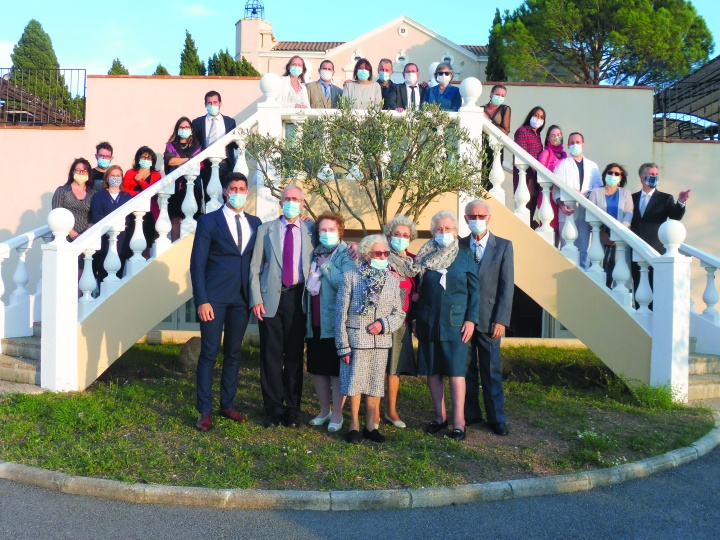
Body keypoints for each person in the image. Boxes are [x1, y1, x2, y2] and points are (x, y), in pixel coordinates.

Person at [190, 172, 261, 431]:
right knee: (209, 353)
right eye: (234, 188)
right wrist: (202, 300)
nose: (238, 192)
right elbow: (197, 264)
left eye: (242, 189)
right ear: (224, 191)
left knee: (233, 353)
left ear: (247, 193)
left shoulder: (256, 222)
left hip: (241, 299)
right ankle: (204, 410)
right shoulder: (209, 221)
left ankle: (227, 404)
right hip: (214, 299)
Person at [250, 185, 313, 428]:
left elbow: (331, 247)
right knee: (271, 354)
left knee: (295, 355)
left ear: (303, 203)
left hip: (299, 298)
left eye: (296, 199)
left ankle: (293, 407)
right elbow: (255, 268)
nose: (291, 202)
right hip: (270, 299)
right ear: (280, 202)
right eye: (287, 198)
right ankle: (273, 407)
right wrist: (256, 298)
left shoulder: (311, 229)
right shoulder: (265, 230)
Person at [412, 210, 480, 441]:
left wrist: (471, 319)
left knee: (456, 371)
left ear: (456, 231)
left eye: (448, 229)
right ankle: (440, 417)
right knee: (433, 370)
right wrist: (414, 318)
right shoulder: (424, 255)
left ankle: (459, 421)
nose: (444, 233)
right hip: (428, 321)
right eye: (439, 229)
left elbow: (474, 290)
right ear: (432, 232)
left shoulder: (465, 254)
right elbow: (415, 290)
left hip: (457, 323)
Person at [335, 234, 404, 444]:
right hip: (356, 339)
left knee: (374, 384)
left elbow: (399, 313)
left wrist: (384, 325)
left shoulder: (393, 280)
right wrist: (343, 346)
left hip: (381, 341)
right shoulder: (351, 276)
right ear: (366, 254)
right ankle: (354, 425)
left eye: (386, 253)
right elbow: (340, 314)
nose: (383, 256)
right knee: (355, 383)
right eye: (379, 253)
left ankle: (370, 426)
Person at [460, 200, 514, 436]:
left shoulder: (503, 246)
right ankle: (471, 414)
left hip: (491, 318)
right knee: (467, 369)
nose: (477, 219)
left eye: (481, 215)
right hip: (464, 320)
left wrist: (501, 319)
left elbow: (506, 286)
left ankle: (497, 418)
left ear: (489, 218)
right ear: (465, 219)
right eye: (473, 216)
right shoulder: (459, 245)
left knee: (491, 370)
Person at [305, 212, 356, 432]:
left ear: (340, 231)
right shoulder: (315, 253)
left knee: (336, 371)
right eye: (323, 230)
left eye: (331, 230)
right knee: (318, 368)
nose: (327, 234)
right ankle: (324, 410)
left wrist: (326, 266)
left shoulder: (347, 254)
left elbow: (345, 283)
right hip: (314, 319)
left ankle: (337, 414)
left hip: (335, 322)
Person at [373, 214, 418, 429]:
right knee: (376, 364)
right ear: (389, 236)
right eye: (397, 234)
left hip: (401, 320)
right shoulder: (379, 256)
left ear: (411, 238)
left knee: (394, 366)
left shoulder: (413, 262)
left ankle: (391, 410)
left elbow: (418, 291)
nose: (400, 238)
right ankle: (373, 411)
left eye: (405, 235)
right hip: (378, 320)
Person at [630, 163, 690, 297]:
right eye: (651, 174)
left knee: (655, 288)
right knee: (638, 286)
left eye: (656, 175)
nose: (655, 177)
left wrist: (681, 202)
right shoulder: (631, 197)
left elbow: (676, 216)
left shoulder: (665, 198)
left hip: (655, 249)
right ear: (642, 177)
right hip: (635, 248)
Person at [552, 132, 602, 268]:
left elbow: (598, 190)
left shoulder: (593, 167)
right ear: (568, 145)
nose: (575, 145)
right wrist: (561, 205)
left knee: (584, 246)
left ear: (583, 144)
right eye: (572, 143)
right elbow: (555, 189)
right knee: (567, 245)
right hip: (567, 210)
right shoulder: (562, 165)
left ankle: (584, 274)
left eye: (578, 142)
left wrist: (586, 196)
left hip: (586, 210)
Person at [588, 163, 634, 287]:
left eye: (617, 173)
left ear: (621, 178)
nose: (613, 175)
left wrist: (618, 233)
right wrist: (601, 234)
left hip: (620, 236)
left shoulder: (625, 193)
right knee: (601, 270)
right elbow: (590, 215)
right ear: (605, 175)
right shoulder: (596, 192)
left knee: (618, 271)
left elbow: (628, 214)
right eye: (610, 172)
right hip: (600, 236)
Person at [191, 90, 238, 212]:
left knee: (227, 195)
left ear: (220, 103)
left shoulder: (230, 122)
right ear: (205, 105)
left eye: (215, 102)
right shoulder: (197, 123)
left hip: (226, 164)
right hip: (207, 166)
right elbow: (195, 144)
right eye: (209, 103)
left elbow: (234, 144)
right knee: (209, 197)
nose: (212, 105)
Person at [89, 165, 133, 282]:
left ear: (122, 178)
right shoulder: (99, 196)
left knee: (118, 274)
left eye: (118, 176)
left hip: (122, 241)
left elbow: (130, 218)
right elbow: (96, 215)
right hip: (103, 240)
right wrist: (109, 227)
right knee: (102, 274)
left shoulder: (127, 197)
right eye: (112, 175)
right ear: (107, 178)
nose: (115, 178)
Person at [164, 116, 202, 240]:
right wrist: (188, 160)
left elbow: (200, 163)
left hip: (192, 187)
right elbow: (170, 161)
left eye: (186, 127)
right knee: (175, 218)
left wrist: (180, 161)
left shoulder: (197, 145)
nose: (184, 129)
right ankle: (175, 244)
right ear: (177, 129)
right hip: (175, 187)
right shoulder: (171, 145)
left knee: (191, 217)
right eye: (181, 127)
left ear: (191, 129)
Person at [122, 146, 161, 256]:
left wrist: (141, 181)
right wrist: (140, 195)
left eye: (148, 158)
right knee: (129, 244)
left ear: (152, 161)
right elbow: (125, 191)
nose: (145, 160)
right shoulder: (130, 173)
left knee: (147, 245)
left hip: (150, 214)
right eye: (143, 157)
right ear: (138, 158)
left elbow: (153, 193)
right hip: (131, 213)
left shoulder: (156, 175)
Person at [52, 158, 96, 241]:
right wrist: (74, 235)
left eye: (84, 171)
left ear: (88, 174)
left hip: (85, 238)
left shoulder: (93, 194)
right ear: (72, 172)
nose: (81, 173)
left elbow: (93, 217)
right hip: (64, 236)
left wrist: (84, 236)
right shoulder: (62, 191)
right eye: (78, 170)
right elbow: (57, 214)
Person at [513, 106, 546, 215]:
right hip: (526, 179)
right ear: (530, 116)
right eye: (536, 115)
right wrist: (530, 180)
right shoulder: (522, 131)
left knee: (531, 212)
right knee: (525, 210)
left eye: (541, 117)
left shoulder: (537, 134)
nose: (538, 119)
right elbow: (522, 157)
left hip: (536, 179)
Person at [535, 125, 566, 236]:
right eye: (553, 135)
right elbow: (540, 173)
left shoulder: (564, 155)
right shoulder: (546, 153)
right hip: (547, 197)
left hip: (560, 196)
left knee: (561, 228)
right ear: (548, 138)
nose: (556, 137)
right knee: (549, 226)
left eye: (558, 135)